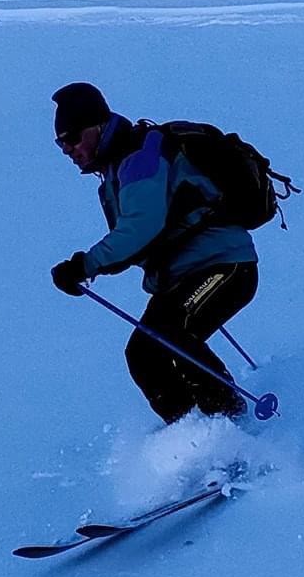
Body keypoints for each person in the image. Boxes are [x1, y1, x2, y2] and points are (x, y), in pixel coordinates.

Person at [49, 81, 259, 423]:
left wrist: (84, 265)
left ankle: (233, 427)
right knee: (143, 353)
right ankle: (195, 439)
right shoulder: (118, 167)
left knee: (174, 338)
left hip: (224, 265)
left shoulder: (140, 157)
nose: (68, 150)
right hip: (185, 275)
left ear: (97, 127)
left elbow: (138, 231)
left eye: (72, 138)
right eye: (61, 144)